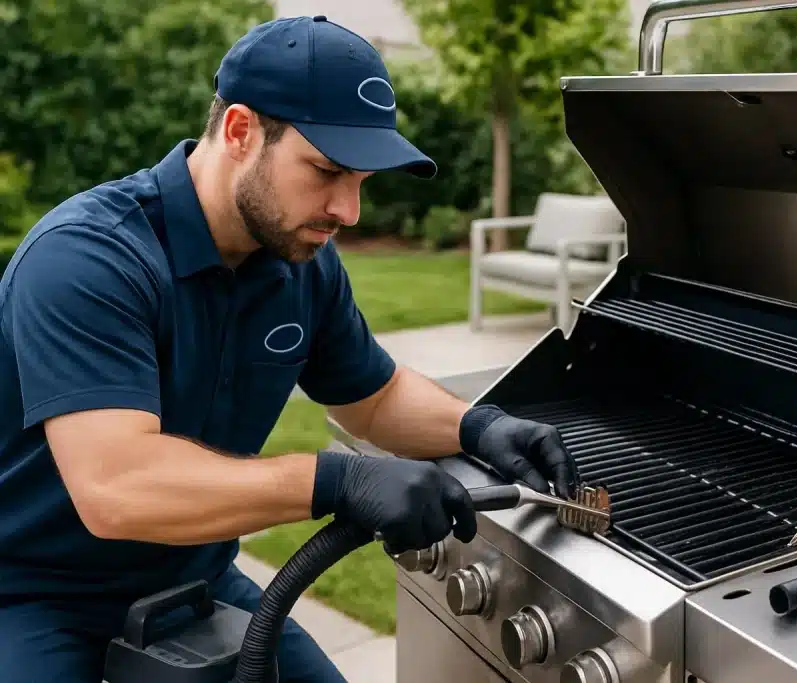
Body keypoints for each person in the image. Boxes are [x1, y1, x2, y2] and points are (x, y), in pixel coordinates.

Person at [0, 15, 580, 683]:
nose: (349, 211)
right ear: (240, 131)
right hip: (34, 594)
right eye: (327, 171)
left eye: (361, 180)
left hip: (194, 579)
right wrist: (338, 481)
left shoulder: (303, 265)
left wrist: (480, 426)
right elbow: (118, 486)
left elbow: (375, 396)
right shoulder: (88, 260)